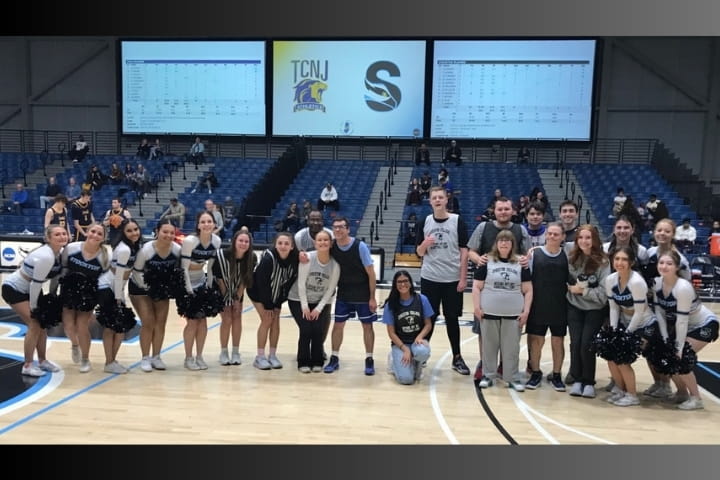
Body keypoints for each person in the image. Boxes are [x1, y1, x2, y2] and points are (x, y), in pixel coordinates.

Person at [653, 250, 719, 410]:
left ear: (676, 267)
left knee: (681, 358)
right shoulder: (656, 283)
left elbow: (682, 321)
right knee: (666, 356)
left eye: (669, 263)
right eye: (661, 263)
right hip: (685, 326)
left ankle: (696, 398)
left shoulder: (683, 288)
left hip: (704, 324)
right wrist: (664, 337)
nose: (664, 266)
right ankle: (682, 393)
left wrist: (679, 347)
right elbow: (660, 313)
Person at [415, 187, 471, 375]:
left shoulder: (457, 221)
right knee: (428, 318)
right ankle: (422, 355)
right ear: (430, 201)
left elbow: (464, 251)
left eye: (441, 197)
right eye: (434, 198)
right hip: (430, 277)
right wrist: (424, 244)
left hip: (452, 279)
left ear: (446, 200)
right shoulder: (425, 221)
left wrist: (463, 277)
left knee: (452, 318)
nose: (437, 200)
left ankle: (457, 357)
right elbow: (419, 253)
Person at [1, 225, 68, 377]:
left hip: (31, 290)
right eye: (57, 234)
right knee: (34, 324)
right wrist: (34, 308)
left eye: (64, 233)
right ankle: (28, 365)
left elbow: (56, 278)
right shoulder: (46, 256)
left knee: (42, 325)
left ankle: (43, 361)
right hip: (15, 289)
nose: (62, 236)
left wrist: (52, 295)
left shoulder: (60, 253)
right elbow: (35, 284)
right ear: (48, 238)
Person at [472, 230, 533, 391]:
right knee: (489, 347)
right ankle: (488, 375)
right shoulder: (487, 261)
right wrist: (477, 307)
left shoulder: (521, 263)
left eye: (507, 240)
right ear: (496, 243)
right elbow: (477, 286)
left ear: (512, 244)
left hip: (513, 314)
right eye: (501, 240)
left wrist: (526, 311)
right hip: (489, 312)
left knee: (511, 348)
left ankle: (512, 377)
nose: (504, 243)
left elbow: (528, 289)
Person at [604, 246, 659, 407]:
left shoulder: (637, 282)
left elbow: (640, 312)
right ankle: (620, 390)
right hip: (626, 321)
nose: (619, 263)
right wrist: (613, 332)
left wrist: (626, 335)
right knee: (611, 355)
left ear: (631, 262)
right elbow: (614, 307)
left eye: (624, 259)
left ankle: (632, 395)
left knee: (622, 357)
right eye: (617, 259)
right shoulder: (610, 280)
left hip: (645, 323)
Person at [324, 216, 378, 375]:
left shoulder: (360, 246)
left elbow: (371, 273)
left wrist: (373, 297)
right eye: (335, 227)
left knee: (367, 326)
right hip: (344, 292)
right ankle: (334, 357)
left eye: (341, 227)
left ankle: (369, 359)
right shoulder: (332, 247)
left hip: (362, 292)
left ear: (348, 229)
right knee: (338, 325)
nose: (338, 230)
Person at [565, 224, 610, 398]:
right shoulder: (571, 258)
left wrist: (583, 291)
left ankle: (589, 381)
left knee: (587, 344)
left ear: (595, 240)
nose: (584, 241)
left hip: (594, 309)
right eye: (581, 238)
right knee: (575, 343)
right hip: (574, 307)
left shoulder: (603, 262)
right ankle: (577, 379)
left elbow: (603, 293)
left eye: (588, 238)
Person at [131, 218, 182, 372]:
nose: (168, 235)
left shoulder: (177, 250)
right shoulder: (146, 250)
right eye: (165, 232)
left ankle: (156, 356)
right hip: (140, 288)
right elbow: (137, 272)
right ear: (157, 232)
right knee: (148, 322)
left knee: (160, 322)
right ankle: (145, 357)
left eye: (171, 232)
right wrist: (150, 288)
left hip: (162, 289)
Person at [525, 222, 570, 391]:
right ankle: (535, 372)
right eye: (549, 233)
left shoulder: (566, 255)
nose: (552, 236)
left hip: (559, 306)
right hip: (538, 305)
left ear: (562, 237)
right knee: (537, 341)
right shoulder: (534, 254)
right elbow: (527, 281)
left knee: (558, 342)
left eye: (556, 234)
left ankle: (557, 375)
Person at [60, 223, 110, 373]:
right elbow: (63, 268)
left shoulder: (105, 255)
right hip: (69, 290)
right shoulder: (71, 248)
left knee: (82, 326)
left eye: (99, 234)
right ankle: (75, 345)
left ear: (103, 238)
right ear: (87, 232)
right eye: (93, 231)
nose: (95, 235)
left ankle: (85, 359)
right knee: (68, 325)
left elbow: (105, 278)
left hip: (88, 293)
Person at [288, 230, 339, 373]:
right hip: (298, 299)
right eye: (320, 240)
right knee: (306, 329)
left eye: (325, 240)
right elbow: (301, 284)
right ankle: (302, 361)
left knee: (318, 329)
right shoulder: (308, 258)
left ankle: (317, 360)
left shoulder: (335, 264)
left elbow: (331, 289)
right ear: (315, 244)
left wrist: (318, 308)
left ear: (330, 243)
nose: (323, 242)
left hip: (321, 301)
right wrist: (305, 306)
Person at [246, 232, 299, 370]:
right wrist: (269, 306)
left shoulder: (294, 259)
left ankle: (273, 355)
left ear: (292, 246)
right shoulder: (268, 259)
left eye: (286, 243)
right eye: (280, 243)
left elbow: (290, 282)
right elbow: (262, 284)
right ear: (275, 245)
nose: (283, 246)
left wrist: (279, 302)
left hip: (276, 294)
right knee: (267, 320)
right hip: (257, 292)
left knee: (276, 321)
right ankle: (260, 357)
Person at [96, 219, 142, 374]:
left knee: (118, 327)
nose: (134, 233)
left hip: (115, 288)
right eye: (129, 231)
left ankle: (111, 361)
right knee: (113, 327)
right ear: (123, 233)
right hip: (108, 287)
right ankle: (109, 362)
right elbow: (118, 275)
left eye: (136, 229)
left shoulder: (133, 247)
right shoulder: (124, 250)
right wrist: (118, 298)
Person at [179, 211, 222, 370]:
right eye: (203, 222)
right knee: (192, 321)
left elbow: (210, 267)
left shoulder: (216, 241)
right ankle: (188, 358)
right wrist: (189, 290)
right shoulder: (190, 241)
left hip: (201, 280)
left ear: (214, 224)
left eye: (209, 221)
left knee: (202, 321)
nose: (206, 224)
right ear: (198, 225)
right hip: (186, 282)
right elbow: (183, 268)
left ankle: (199, 356)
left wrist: (209, 286)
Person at [213, 228, 256, 366]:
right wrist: (227, 299)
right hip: (221, 289)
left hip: (237, 289)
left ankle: (236, 352)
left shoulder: (252, 258)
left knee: (237, 316)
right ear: (234, 241)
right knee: (226, 318)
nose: (243, 243)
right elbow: (219, 279)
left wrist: (237, 298)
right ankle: (223, 352)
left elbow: (245, 279)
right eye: (240, 240)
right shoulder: (220, 255)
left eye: (246, 241)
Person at [383, 270, 433, 385]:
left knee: (423, 352)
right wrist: (405, 349)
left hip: (416, 342)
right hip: (400, 344)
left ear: (410, 283)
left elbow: (428, 324)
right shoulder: (390, 305)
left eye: (405, 281)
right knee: (406, 380)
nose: (403, 284)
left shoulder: (422, 300)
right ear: (395, 285)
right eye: (399, 282)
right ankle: (394, 360)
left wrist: (420, 337)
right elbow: (391, 333)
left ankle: (416, 363)